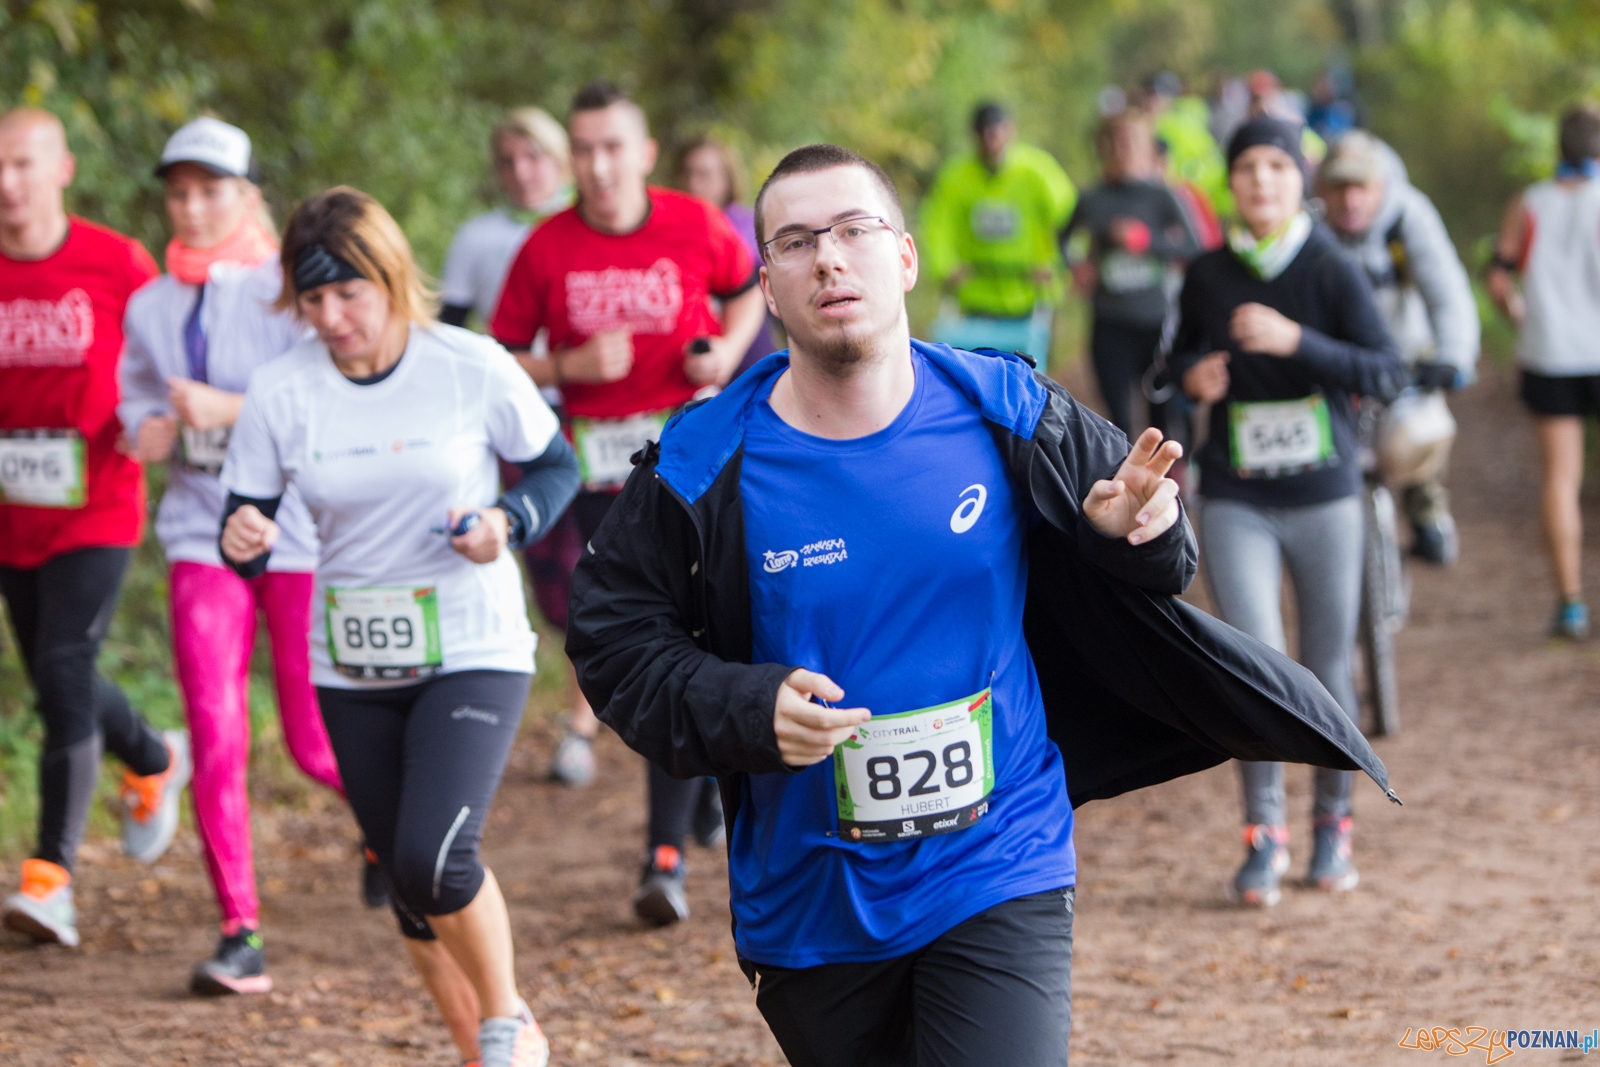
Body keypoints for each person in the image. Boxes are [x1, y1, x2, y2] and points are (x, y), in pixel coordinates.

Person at [565, 141, 1394, 1066]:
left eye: (852, 229)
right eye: (796, 241)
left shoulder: (1009, 408)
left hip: (1001, 855)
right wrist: (743, 707)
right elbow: (611, 636)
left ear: (907, 257)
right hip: (810, 898)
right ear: (766, 283)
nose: (829, 257)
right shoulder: (703, 461)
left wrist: (1136, 536)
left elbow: (1160, 555)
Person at [219, 186, 578, 1067]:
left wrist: (509, 523)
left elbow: (553, 464)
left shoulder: (468, 363)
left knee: (435, 854)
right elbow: (246, 524)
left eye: (349, 293)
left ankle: (508, 1018)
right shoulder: (280, 390)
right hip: (351, 664)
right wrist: (246, 539)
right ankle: (473, 1046)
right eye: (312, 300)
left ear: (389, 277)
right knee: (407, 884)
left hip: (473, 646)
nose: (332, 317)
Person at [491, 81, 766, 926]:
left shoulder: (692, 222)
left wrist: (722, 349)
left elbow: (749, 283)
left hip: (696, 470)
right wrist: (565, 371)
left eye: (613, 146)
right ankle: (697, 796)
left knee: (695, 634)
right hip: (601, 480)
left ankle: (664, 853)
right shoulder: (545, 248)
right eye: (584, 149)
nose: (598, 165)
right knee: (640, 646)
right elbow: (498, 356)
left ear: (644, 153)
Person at [118, 117, 352, 995]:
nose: (192, 206)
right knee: (216, 726)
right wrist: (145, 428)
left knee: (308, 739)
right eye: (178, 191)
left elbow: (326, 402)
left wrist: (225, 407)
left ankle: (385, 831)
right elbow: (133, 413)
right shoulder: (148, 304)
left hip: (293, 533)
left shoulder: (291, 291)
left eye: (211, 189)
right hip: (198, 531)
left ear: (249, 195)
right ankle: (239, 927)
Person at [1172, 116, 1409, 907]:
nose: (1262, 181)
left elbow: (1386, 370)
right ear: (1231, 184)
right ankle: (1262, 835)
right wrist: (1192, 382)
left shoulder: (1331, 267)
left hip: (1324, 495)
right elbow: (1166, 374)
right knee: (1256, 665)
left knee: (1327, 660)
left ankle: (1332, 827)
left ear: (1296, 177)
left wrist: (1295, 339)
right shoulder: (1206, 273)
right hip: (1237, 495)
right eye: (1248, 169)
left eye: (1277, 166)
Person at [0, 108, 188, 949]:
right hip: (11, 514)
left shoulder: (117, 264)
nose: (9, 184)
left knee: (66, 663)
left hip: (98, 504)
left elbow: (166, 370)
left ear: (62, 168)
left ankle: (52, 878)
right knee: (54, 675)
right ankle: (151, 756)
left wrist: (152, 421)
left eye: (23, 164)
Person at [1319, 130, 1479, 565]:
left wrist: (1454, 356)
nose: (1351, 200)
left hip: (1405, 349)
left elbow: (1447, 291)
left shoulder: (1408, 217)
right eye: (1339, 187)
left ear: (1382, 186)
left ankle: (1427, 510)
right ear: (1321, 189)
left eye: (1361, 187)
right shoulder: (1309, 227)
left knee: (1419, 436)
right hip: (1339, 357)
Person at [1486, 103, 1600, 641]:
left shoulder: (1529, 203)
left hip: (1552, 355)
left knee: (1561, 478)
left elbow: (1499, 278)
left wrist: (1518, 316)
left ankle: (1572, 605)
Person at [1061, 108, 1200, 436]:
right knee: (1118, 422)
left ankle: (1165, 484)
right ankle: (1126, 483)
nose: (1124, 151)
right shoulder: (1092, 198)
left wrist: (1145, 240)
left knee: (1162, 421)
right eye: (1116, 142)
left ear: (1148, 148)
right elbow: (1062, 239)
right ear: (1104, 148)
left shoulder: (1163, 196)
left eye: (1133, 142)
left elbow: (1194, 248)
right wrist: (1076, 266)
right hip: (1109, 322)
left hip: (1155, 324)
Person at [919, 102, 1076, 360]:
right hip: (975, 295)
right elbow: (938, 224)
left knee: (1031, 367)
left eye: (997, 132)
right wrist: (945, 267)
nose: (991, 141)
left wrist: (1057, 265)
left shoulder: (1038, 172)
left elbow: (1069, 219)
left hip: (1029, 293)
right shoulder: (955, 177)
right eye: (984, 134)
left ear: (1011, 131)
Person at [440, 108, 573, 331]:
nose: (520, 172)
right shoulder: (474, 236)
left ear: (559, 159)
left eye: (533, 156)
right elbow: (450, 325)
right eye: (507, 161)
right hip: (506, 359)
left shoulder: (592, 225)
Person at [676, 133, 778, 376]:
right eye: (688, 173)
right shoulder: (672, 229)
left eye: (704, 174)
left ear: (726, 179)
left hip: (750, 349)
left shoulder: (751, 226)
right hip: (692, 361)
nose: (693, 183)